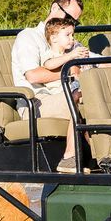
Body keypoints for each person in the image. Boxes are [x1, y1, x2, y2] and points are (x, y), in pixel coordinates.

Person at [32, 15, 89, 169]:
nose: (72, 39)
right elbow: (50, 64)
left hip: (75, 89)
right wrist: (71, 56)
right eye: (68, 35)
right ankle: (69, 156)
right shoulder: (50, 54)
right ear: (54, 38)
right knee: (76, 96)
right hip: (63, 94)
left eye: (73, 35)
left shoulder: (69, 53)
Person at [12, 0, 84, 94]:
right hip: (37, 99)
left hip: (64, 93)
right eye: (68, 17)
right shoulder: (28, 36)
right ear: (55, 7)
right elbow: (33, 76)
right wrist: (71, 72)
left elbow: (93, 60)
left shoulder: (68, 41)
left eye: (74, 22)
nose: (70, 23)